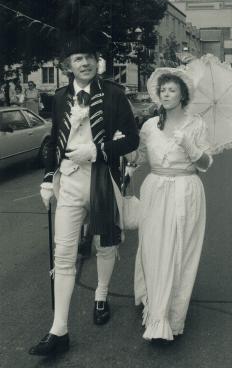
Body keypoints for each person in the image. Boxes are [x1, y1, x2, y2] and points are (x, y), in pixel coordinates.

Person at [28, 35, 139, 356]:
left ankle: (101, 295)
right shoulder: (60, 97)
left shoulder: (114, 95)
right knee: (63, 253)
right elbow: (53, 141)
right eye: (78, 59)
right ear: (68, 66)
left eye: (89, 57)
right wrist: (48, 178)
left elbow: (130, 139)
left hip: (103, 177)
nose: (85, 63)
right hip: (70, 181)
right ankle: (58, 329)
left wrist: (96, 150)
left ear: (97, 61)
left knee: (104, 244)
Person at [128, 68, 213, 341]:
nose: (166, 94)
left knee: (179, 250)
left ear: (182, 95)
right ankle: (153, 301)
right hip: (154, 189)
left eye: (172, 90)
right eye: (163, 90)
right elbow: (138, 158)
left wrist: (190, 146)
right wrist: (125, 153)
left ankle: (168, 313)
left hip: (186, 190)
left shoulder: (196, 125)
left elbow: (206, 164)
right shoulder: (149, 126)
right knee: (153, 247)